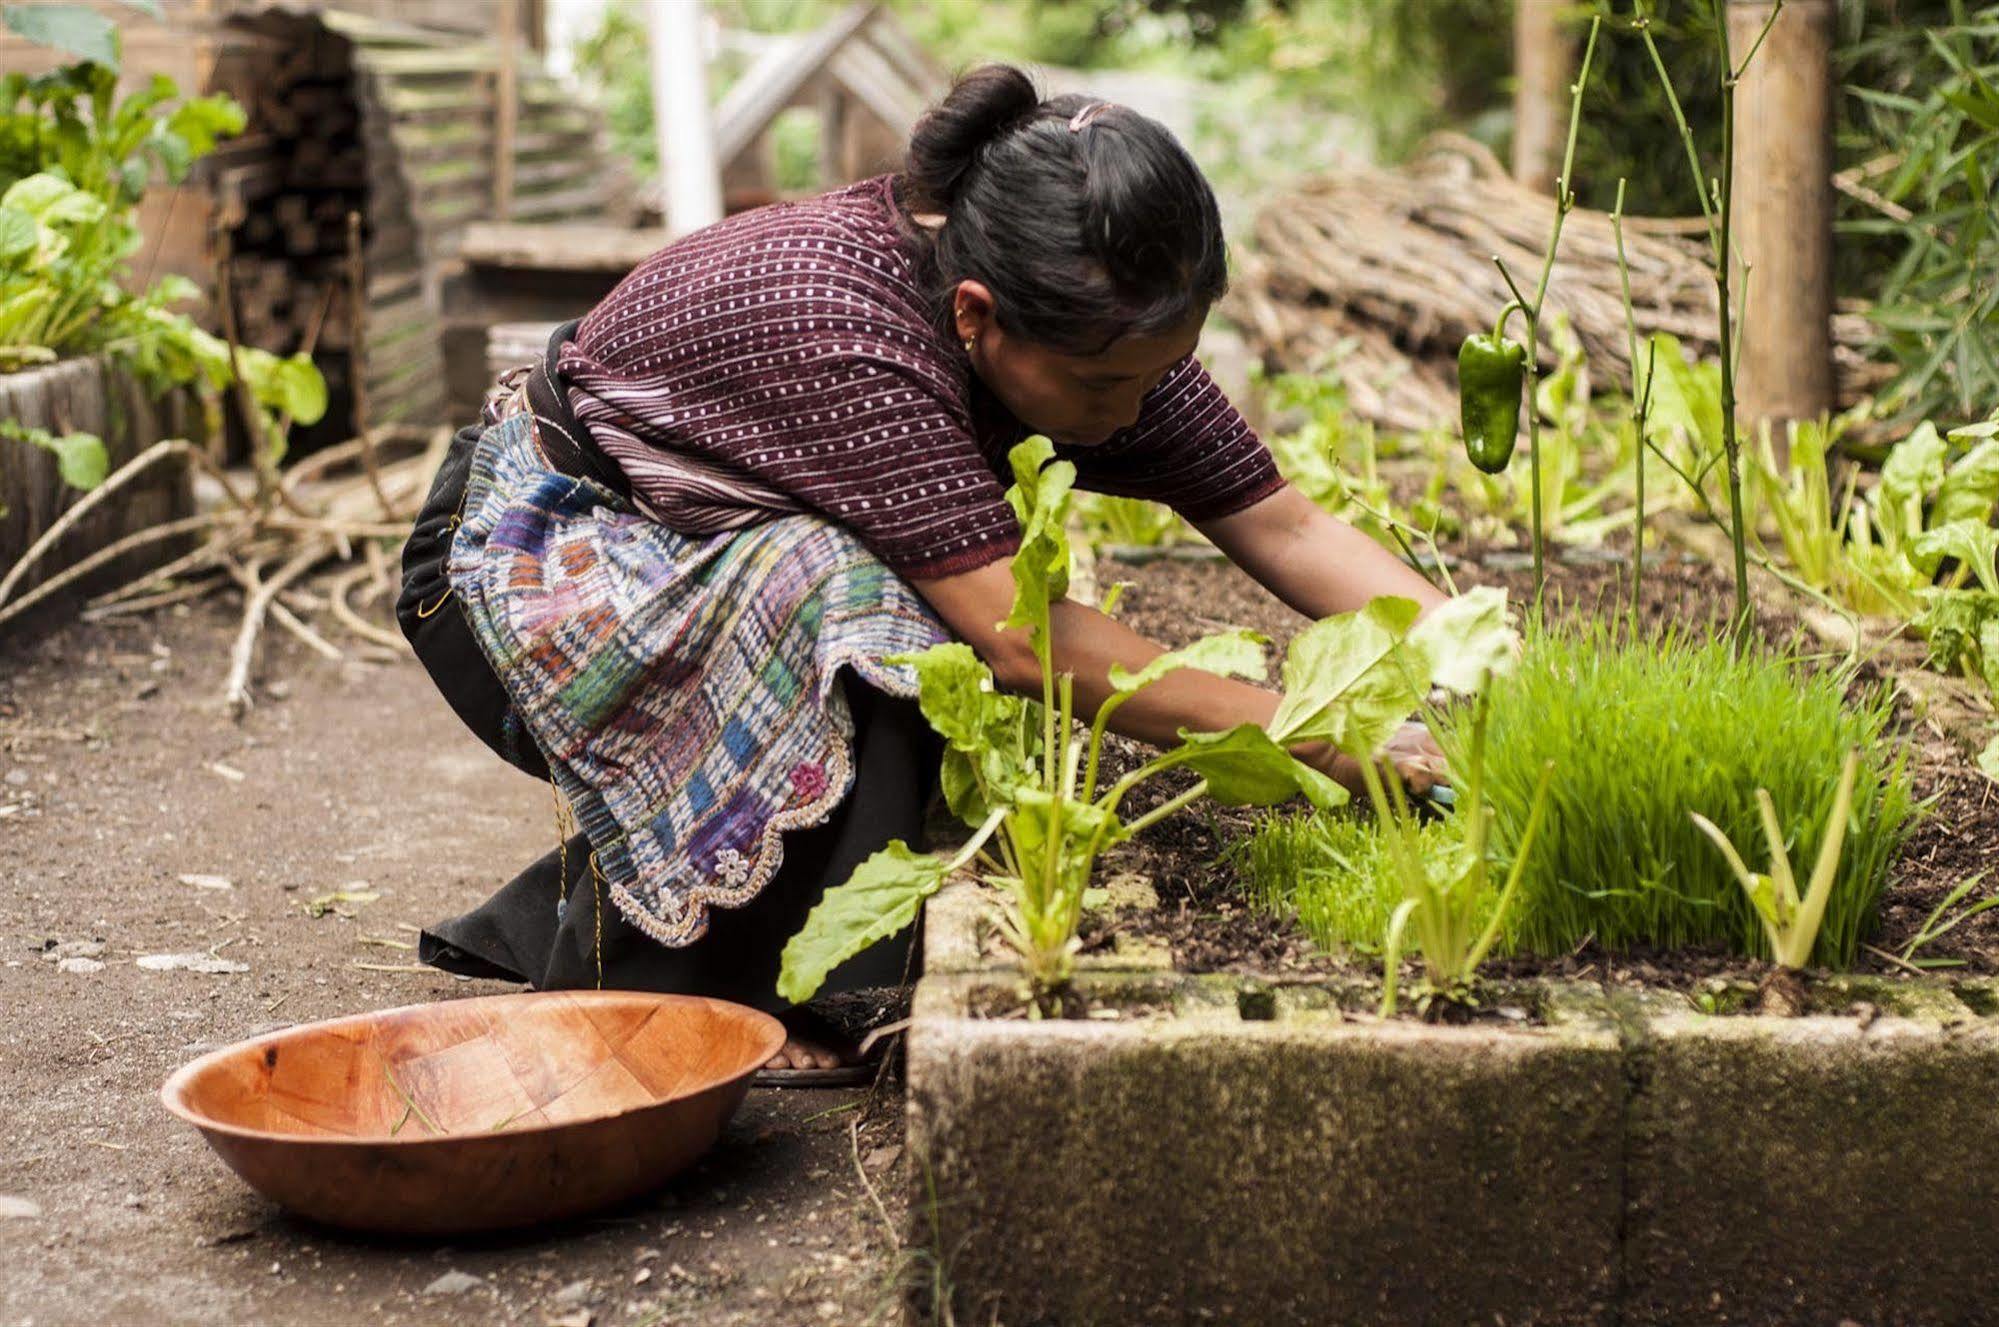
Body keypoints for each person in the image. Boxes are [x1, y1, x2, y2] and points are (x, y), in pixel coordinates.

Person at [397, 65, 1446, 1084]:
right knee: (877, 604)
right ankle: (700, 980)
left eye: (1157, 373)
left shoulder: (1091, 322)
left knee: (878, 591)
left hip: (692, 552)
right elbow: (1022, 638)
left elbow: (1286, 524)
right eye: (1105, 384)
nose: (1132, 410)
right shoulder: (853, 330)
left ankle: (676, 930)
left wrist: (1486, 656)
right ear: (977, 316)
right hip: (527, 572)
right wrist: (1318, 735)